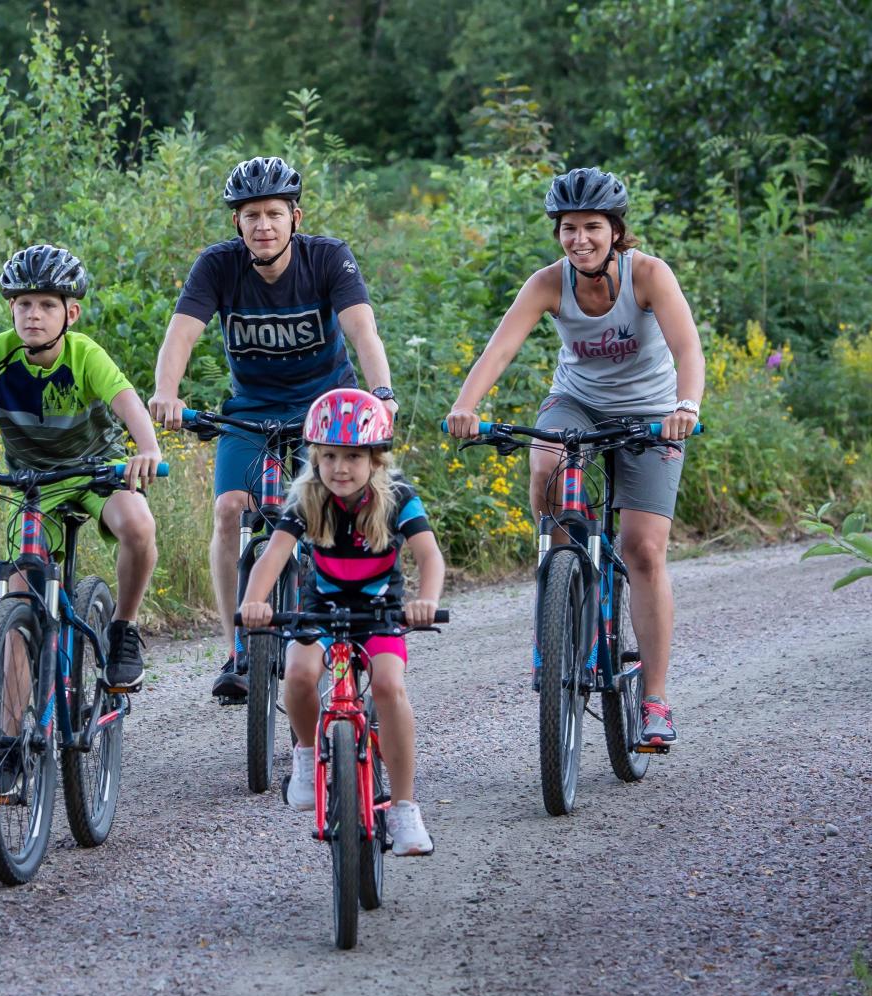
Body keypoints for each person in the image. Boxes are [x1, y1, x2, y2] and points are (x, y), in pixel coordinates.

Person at [444, 166, 705, 745]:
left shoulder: (650, 276)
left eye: (591, 227)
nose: (579, 239)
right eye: (568, 228)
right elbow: (500, 349)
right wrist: (466, 404)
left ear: (616, 230)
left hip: (651, 412)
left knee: (643, 548)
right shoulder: (547, 283)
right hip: (577, 402)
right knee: (545, 460)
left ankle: (655, 700)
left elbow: (688, 347)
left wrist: (685, 405)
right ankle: (563, 580)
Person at [149, 155, 399, 700]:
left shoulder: (328, 258)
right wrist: (166, 393)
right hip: (251, 410)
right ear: (235, 223)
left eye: (273, 213)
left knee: (336, 516)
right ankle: (239, 644)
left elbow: (363, 331)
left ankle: (356, 625)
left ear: (295, 217)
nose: (262, 225)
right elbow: (181, 335)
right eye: (250, 215)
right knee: (229, 510)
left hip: (326, 409)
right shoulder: (217, 266)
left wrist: (381, 394)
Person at [0, 244, 162, 690]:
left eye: (46, 304)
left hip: (97, 471)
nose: (33, 314)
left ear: (70, 314)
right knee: (19, 589)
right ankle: (11, 740)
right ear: (11, 309)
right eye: (23, 304)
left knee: (138, 525)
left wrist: (147, 448)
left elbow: (127, 402)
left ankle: (123, 629)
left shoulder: (85, 355)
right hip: (34, 482)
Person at [239, 388, 444, 855]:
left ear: (375, 459)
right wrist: (254, 603)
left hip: (379, 609)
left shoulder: (398, 498)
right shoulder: (306, 498)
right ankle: (309, 757)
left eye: (353, 456)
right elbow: (272, 557)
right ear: (314, 457)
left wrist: (426, 600)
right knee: (298, 674)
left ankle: (405, 807)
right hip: (322, 605)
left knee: (389, 686)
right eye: (329, 456)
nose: (340, 468)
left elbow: (430, 556)